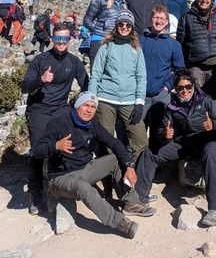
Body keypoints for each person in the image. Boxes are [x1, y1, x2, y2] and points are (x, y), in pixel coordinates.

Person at [33, 92, 156, 239]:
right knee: (82, 187)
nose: (89, 110)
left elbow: (114, 143)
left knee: (114, 160)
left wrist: (129, 166)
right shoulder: (58, 123)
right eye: (86, 105)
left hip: (84, 170)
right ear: (77, 106)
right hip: (60, 178)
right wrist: (55, 146)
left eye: (93, 107)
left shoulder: (93, 124)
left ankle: (132, 203)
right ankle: (119, 222)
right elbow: (37, 152)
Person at [131, 69, 216, 227]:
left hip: (209, 141)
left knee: (210, 154)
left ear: (193, 86)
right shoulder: (172, 107)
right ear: (175, 89)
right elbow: (160, 133)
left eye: (188, 87)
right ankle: (138, 199)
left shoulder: (207, 101)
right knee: (150, 152)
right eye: (180, 88)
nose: (184, 91)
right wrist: (164, 135)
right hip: (186, 143)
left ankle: (215, 208)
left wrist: (214, 125)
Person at [21, 23, 89, 215]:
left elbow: (86, 84)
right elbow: (24, 86)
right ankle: (35, 192)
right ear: (52, 39)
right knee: (38, 150)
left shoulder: (74, 62)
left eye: (65, 39)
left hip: (61, 108)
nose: (61, 42)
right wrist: (40, 80)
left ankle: (65, 184)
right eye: (57, 38)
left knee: (71, 141)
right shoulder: (40, 60)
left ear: (70, 40)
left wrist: (88, 103)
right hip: (39, 109)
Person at [89, 10, 147, 162]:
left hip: (129, 101)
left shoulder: (137, 50)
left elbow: (141, 77)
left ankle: (130, 168)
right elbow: (95, 74)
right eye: (121, 24)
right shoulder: (106, 47)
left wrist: (139, 103)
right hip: (105, 99)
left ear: (132, 28)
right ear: (116, 26)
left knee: (140, 140)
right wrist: (91, 100)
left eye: (128, 25)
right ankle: (111, 172)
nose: (125, 27)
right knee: (105, 139)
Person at [140, 5, 185, 151]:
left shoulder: (174, 44)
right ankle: (136, 162)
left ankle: (154, 163)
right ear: (150, 19)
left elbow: (180, 69)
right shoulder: (140, 40)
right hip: (140, 93)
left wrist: (168, 86)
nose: (158, 21)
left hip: (162, 93)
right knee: (137, 130)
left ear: (167, 22)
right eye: (156, 18)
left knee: (159, 130)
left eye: (162, 18)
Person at [176, 0, 216, 101]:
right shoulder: (186, 17)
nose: (204, 0)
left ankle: (214, 119)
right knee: (195, 99)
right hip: (195, 66)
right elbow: (180, 43)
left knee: (215, 100)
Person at [83, 0, 128, 67]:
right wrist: (99, 30)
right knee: (96, 72)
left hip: (117, 42)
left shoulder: (124, 3)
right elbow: (87, 21)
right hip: (99, 41)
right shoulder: (99, 0)